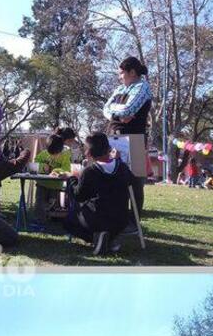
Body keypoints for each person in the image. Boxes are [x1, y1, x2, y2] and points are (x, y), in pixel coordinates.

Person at [63, 132, 137, 255]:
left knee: (69, 221)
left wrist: (72, 178)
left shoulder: (90, 171)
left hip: (97, 219)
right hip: (121, 220)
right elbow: (132, 181)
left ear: (89, 152)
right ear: (108, 148)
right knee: (103, 212)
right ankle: (109, 239)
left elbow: (78, 196)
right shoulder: (122, 167)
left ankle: (98, 238)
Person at [103, 55, 152, 214]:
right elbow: (105, 109)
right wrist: (116, 116)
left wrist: (114, 110)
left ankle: (134, 219)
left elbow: (128, 110)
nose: (119, 77)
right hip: (113, 136)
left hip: (135, 139)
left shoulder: (143, 87)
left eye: (121, 73)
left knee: (135, 180)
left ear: (132, 72)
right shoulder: (120, 89)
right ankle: (117, 215)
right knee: (113, 175)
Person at [32, 133, 72, 226]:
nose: (53, 156)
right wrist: (42, 167)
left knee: (53, 203)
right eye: (51, 153)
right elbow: (35, 164)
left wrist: (57, 171)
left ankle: (52, 219)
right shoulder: (43, 154)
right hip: (42, 184)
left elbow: (67, 169)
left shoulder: (65, 155)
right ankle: (38, 220)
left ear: (61, 150)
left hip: (56, 185)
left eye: (56, 154)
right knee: (39, 202)